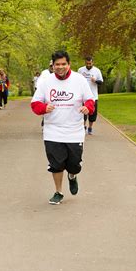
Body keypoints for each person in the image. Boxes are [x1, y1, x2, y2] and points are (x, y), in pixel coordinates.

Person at [31, 50, 95, 205]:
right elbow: (35, 104)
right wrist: (44, 108)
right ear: (53, 66)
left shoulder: (79, 80)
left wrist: (87, 107)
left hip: (74, 130)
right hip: (53, 130)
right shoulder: (46, 81)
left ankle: (72, 176)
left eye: (63, 64)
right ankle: (58, 192)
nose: (60, 67)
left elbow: (90, 100)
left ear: (69, 64)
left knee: (74, 165)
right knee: (56, 164)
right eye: (57, 64)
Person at [78, 56, 103, 135]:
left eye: (90, 63)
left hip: (93, 96)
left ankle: (90, 127)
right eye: (87, 63)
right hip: (82, 96)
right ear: (85, 62)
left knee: (92, 113)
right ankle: (83, 127)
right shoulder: (80, 70)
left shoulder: (97, 71)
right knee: (83, 112)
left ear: (93, 62)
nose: (88, 65)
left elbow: (101, 82)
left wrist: (95, 81)